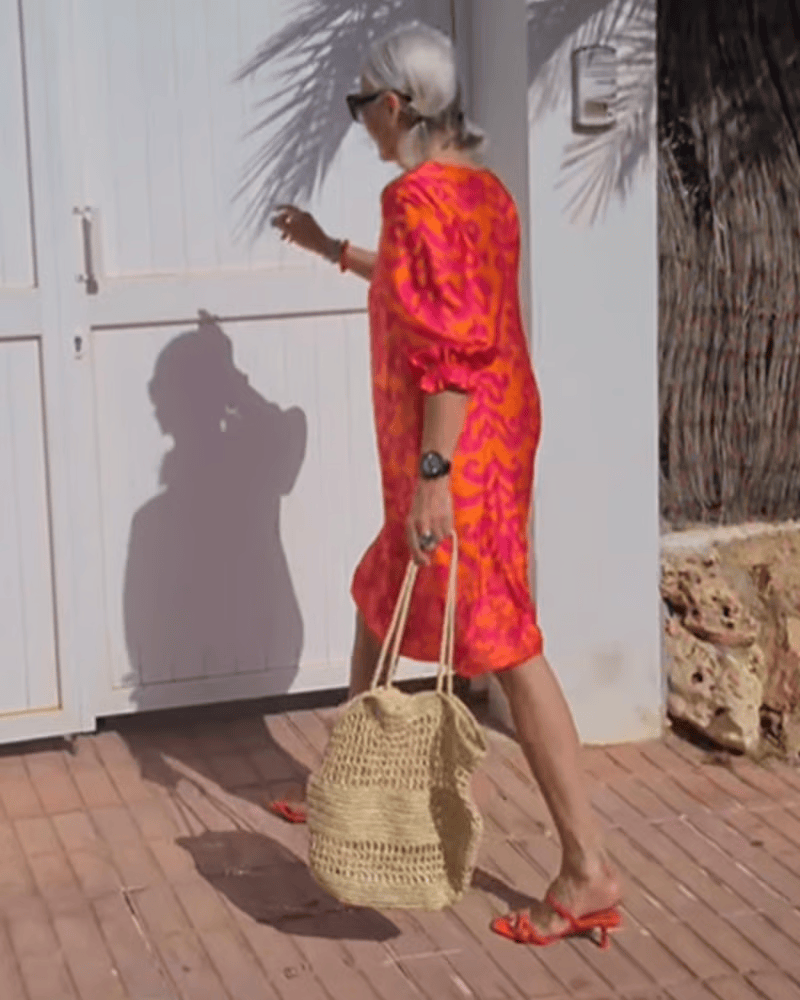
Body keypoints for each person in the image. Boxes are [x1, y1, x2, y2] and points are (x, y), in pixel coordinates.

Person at [269, 21, 621, 948]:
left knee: (504, 638)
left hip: (459, 450)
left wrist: (435, 475)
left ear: (395, 105)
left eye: (362, 106)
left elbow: (453, 348)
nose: (361, 123)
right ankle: (353, 782)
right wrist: (331, 249)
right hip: (478, 436)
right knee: (381, 587)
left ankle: (587, 864)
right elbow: (426, 289)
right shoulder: (481, 191)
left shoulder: (418, 196)